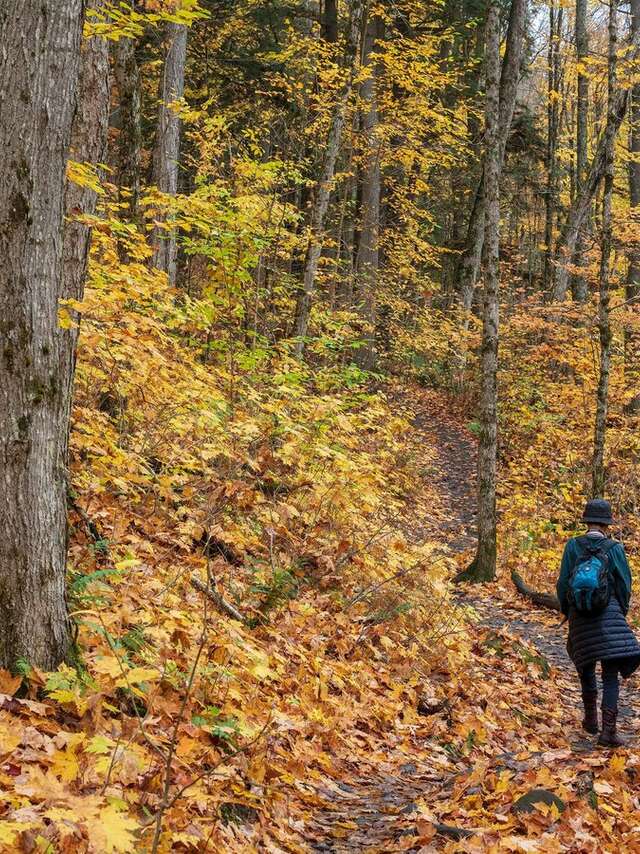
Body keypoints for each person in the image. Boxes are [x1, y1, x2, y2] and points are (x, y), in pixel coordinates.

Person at [556, 499, 640, 747]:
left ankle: (590, 721)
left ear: (587, 521)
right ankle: (608, 732)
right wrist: (620, 611)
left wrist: (568, 611)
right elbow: (624, 584)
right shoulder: (614, 548)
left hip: (579, 617)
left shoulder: (573, 546)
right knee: (610, 675)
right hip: (609, 615)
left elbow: (562, 584)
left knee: (585, 666)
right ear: (606, 524)